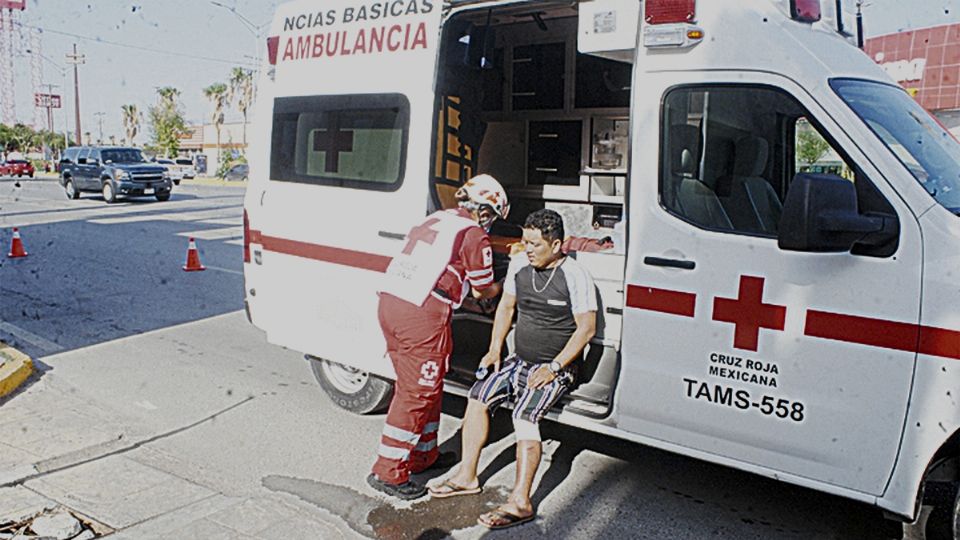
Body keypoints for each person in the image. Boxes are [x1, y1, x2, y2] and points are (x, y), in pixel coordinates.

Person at [428, 209, 597, 529]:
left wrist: (555, 367)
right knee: (477, 396)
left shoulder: (575, 275)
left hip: (557, 366)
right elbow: (506, 307)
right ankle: (467, 475)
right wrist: (494, 350)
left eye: (535, 244)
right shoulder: (521, 264)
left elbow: (586, 329)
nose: (527, 249)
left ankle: (521, 501)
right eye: (525, 241)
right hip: (519, 359)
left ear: (557, 244)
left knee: (524, 416)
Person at [368, 174, 510, 500]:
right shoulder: (473, 235)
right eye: (492, 216)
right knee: (417, 392)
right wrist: (507, 286)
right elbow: (482, 288)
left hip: (392, 302)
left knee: (427, 385)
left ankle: (423, 455)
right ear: (486, 211)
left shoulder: (438, 218)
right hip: (422, 312)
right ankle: (388, 471)